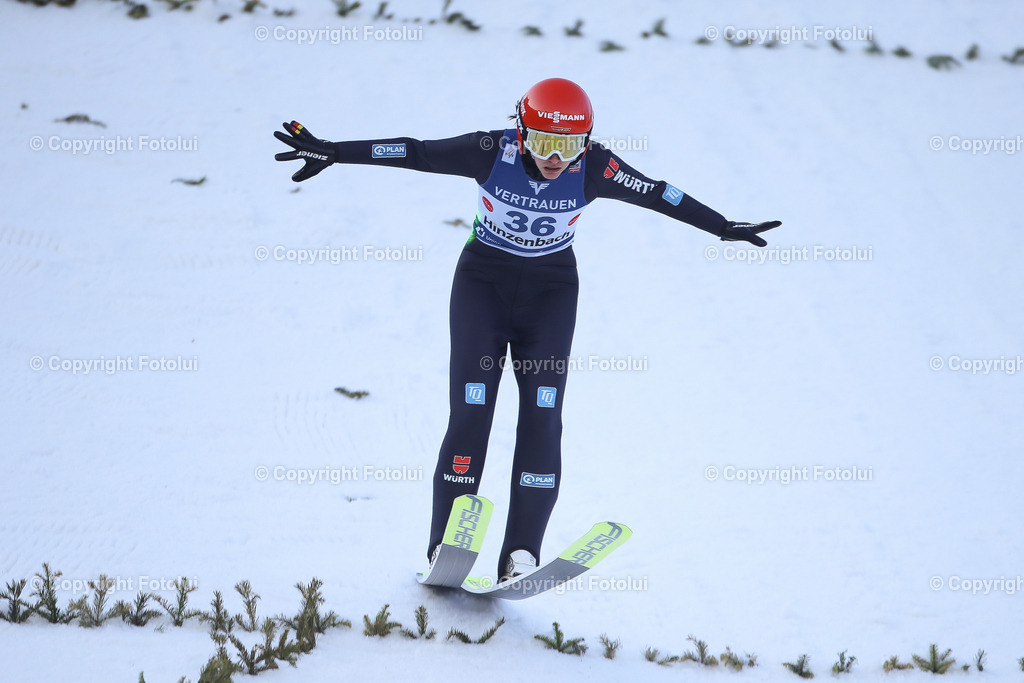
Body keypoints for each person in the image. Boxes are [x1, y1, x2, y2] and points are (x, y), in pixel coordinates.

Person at [274, 77, 780, 582]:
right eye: (542, 142)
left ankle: (521, 553)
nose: (555, 158)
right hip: (482, 289)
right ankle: (444, 546)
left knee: (543, 414)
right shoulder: (489, 151)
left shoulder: (596, 167)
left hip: (550, 297)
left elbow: (657, 193)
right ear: (520, 132)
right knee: (471, 411)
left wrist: (722, 226)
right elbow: (414, 151)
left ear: (586, 142)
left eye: (569, 146)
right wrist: (336, 151)